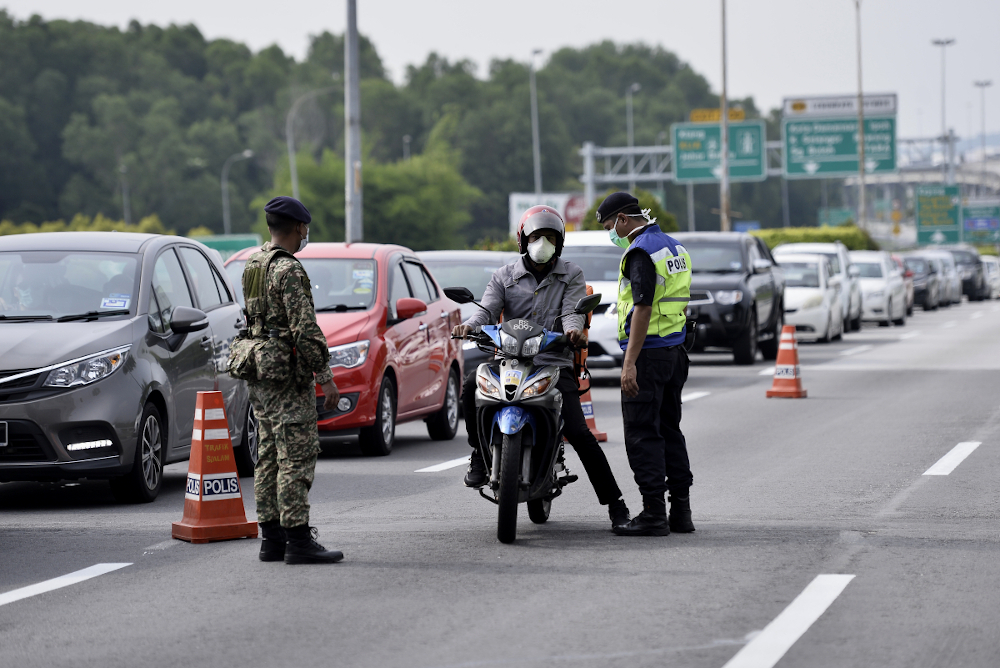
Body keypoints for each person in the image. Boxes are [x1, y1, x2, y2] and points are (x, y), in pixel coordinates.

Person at [452, 205, 631, 530]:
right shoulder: (503, 276)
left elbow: (572, 312)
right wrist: (470, 325)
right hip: (508, 361)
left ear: (559, 243)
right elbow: (487, 311)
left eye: (550, 237)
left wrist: (573, 331)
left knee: (578, 432)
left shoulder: (571, 274)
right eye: (537, 236)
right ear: (524, 240)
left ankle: (617, 506)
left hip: (553, 363)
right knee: (468, 386)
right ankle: (479, 455)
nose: (543, 243)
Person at [243, 196, 344, 564]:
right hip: (286, 377)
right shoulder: (289, 271)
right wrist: (326, 378)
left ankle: (271, 540)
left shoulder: (254, 263)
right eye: (305, 229)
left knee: (267, 456)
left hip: (259, 373)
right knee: (295, 458)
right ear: (299, 227)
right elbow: (305, 331)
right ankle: (298, 540)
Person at [596, 192, 695, 537]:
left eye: (611, 226)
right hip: (674, 352)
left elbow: (642, 307)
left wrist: (629, 363)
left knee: (642, 434)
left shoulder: (639, 253)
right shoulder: (673, 247)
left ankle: (654, 513)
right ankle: (681, 512)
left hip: (649, 355)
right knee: (670, 431)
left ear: (624, 219)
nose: (612, 233)